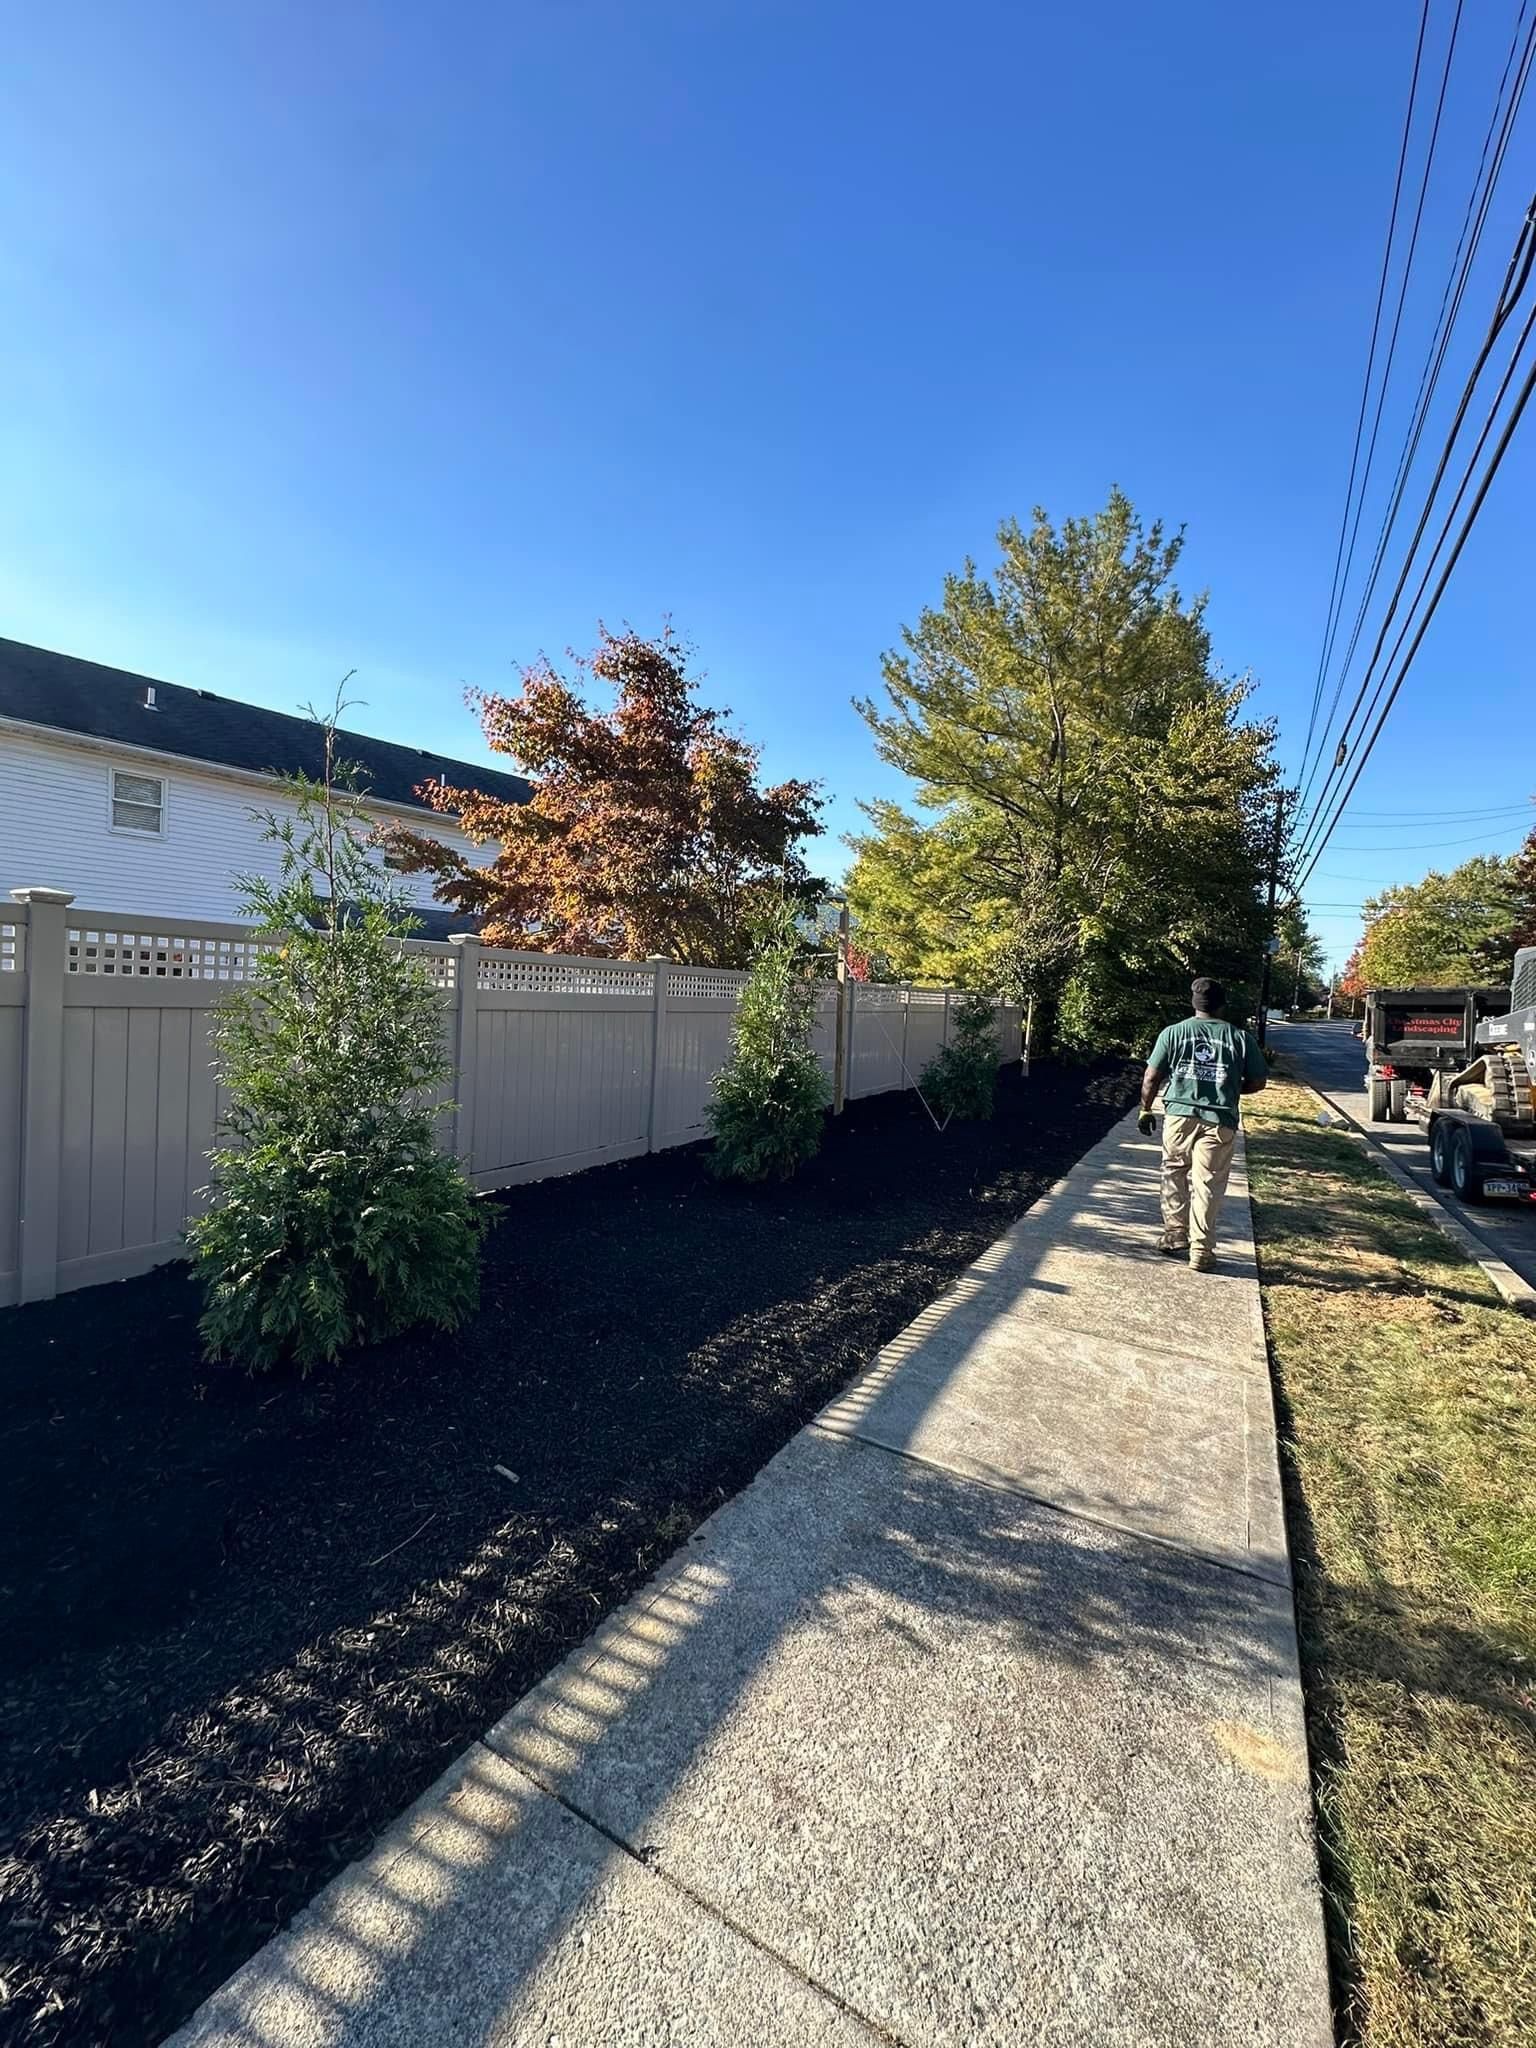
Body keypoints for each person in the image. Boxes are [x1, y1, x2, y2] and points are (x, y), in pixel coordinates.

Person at [1137, 977, 1267, 1272]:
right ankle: (1201, 1251)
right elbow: (1259, 1081)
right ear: (1221, 1004)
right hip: (1219, 1120)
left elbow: (1150, 1078)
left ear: (1194, 1004)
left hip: (1179, 1117)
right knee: (1207, 1183)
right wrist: (1233, 1089)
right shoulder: (1239, 1038)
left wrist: (1145, 1110)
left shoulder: (1173, 1033)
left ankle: (1174, 1234)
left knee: (1173, 1171)